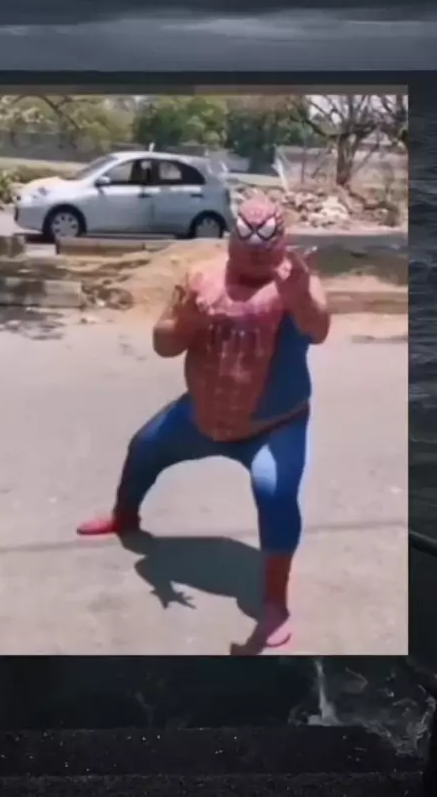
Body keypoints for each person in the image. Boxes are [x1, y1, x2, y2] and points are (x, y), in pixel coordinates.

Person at [77, 194, 331, 655]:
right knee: (144, 447)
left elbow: (319, 329)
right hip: (201, 416)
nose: (256, 256)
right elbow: (163, 344)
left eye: (265, 248)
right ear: (232, 240)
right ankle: (124, 516)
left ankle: (275, 602)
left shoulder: (297, 282)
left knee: (274, 489)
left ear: (281, 243)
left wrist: (300, 300)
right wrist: (186, 321)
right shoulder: (201, 279)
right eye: (247, 246)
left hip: (274, 425)